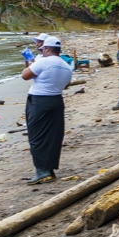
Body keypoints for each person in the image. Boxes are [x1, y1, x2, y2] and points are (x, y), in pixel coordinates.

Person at [22, 36, 73, 184]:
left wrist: (28, 62)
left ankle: (41, 170)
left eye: (43, 49)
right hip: (56, 100)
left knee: (36, 136)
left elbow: (25, 75)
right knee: (53, 136)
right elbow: (66, 85)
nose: (42, 51)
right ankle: (49, 169)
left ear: (48, 49)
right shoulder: (66, 65)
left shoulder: (43, 61)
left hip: (39, 101)